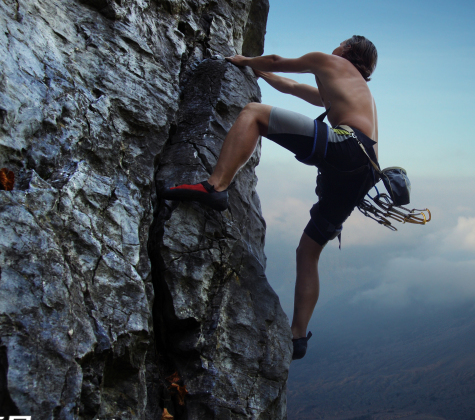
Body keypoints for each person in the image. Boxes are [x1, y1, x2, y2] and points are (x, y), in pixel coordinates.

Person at [161, 36, 379, 360]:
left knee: (253, 113)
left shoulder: (332, 62)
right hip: (364, 172)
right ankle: (298, 335)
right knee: (308, 251)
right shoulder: (347, 88)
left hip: (347, 147)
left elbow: (277, 60)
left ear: (348, 50)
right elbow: (289, 85)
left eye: (343, 42)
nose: (336, 46)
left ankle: (215, 186)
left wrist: (246, 60)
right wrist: (259, 73)